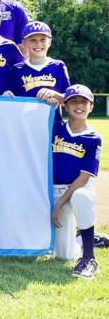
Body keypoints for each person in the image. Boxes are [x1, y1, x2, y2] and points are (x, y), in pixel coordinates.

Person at [51, 84, 102, 279]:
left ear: (91, 107)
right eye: (73, 101)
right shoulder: (56, 127)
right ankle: (86, 238)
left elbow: (83, 178)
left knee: (81, 197)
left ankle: (89, 257)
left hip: (77, 189)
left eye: (83, 102)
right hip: (54, 189)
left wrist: (60, 204)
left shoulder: (93, 138)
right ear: (65, 105)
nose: (79, 106)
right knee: (64, 255)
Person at [5, 21, 70, 104]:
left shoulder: (58, 66)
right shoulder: (17, 69)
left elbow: (69, 100)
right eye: (33, 40)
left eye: (43, 40)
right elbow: (12, 99)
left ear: (49, 42)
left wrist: (55, 95)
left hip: (53, 117)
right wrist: (7, 96)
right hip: (26, 117)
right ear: (24, 43)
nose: (38, 44)